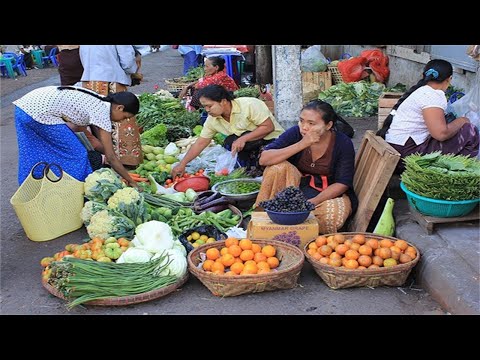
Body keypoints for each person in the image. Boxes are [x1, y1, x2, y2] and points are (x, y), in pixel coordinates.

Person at [255, 100, 357, 234]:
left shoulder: (342, 143)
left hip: (325, 194)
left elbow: (342, 183)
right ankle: (267, 219)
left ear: (328, 125)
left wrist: (312, 203)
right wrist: (302, 144)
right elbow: (264, 159)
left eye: (311, 123)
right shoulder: (296, 133)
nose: (304, 127)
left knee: (331, 218)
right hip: (294, 187)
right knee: (277, 167)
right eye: (301, 121)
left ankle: (305, 236)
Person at [12, 86, 140, 188]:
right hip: (40, 113)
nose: (122, 121)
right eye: (124, 117)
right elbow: (110, 157)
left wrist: (110, 154)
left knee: (32, 150)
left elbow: (99, 143)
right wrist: (130, 180)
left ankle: (29, 188)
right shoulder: (102, 113)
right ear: (119, 107)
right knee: (77, 154)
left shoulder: (100, 100)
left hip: (24, 108)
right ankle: (77, 190)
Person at [377, 59, 479, 173]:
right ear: (449, 79)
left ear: (424, 75)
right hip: (405, 155)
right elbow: (441, 134)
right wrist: (462, 120)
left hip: (399, 147)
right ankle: (453, 176)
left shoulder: (422, 91)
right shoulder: (433, 95)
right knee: (470, 131)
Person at [171, 84, 284, 177]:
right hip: (252, 144)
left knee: (241, 140)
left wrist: (244, 139)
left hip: (273, 140)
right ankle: (251, 167)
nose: (207, 110)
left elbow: (268, 127)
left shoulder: (249, 105)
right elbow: (201, 142)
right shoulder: (212, 120)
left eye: (209, 106)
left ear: (223, 101)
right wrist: (183, 164)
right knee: (230, 142)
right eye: (204, 107)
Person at [80, 45, 143, 167]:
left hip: (89, 81)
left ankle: (102, 159)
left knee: (95, 123)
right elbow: (127, 61)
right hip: (111, 79)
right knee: (123, 119)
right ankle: (125, 162)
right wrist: (134, 71)